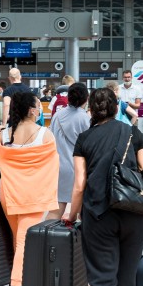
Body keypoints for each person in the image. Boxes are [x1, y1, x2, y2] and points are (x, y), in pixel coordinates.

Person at [62, 87, 143, 286]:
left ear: (92, 110)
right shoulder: (134, 134)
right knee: (127, 277)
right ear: (116, 108)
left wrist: (71, 214)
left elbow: (79, 184)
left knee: (102, 279)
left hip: (99, 215)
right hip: (135, 214)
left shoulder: (85, 139)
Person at [0, 90, 58, 286]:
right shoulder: (45, 134)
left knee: (20, 240)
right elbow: (54, 163)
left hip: (9, 195)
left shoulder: (4, 136)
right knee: (24, 241)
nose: (40, 109)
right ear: (31, 109)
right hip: (33, 196)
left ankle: (24, 280)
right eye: (37, 105)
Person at [49, 82, 90, 219]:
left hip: (58, 166)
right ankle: (79, 239)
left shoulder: (57, 116)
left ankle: (46, 236)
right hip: (78, 167)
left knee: (57, 207)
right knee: (82, 208)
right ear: (86, 98)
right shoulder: (84, 118)